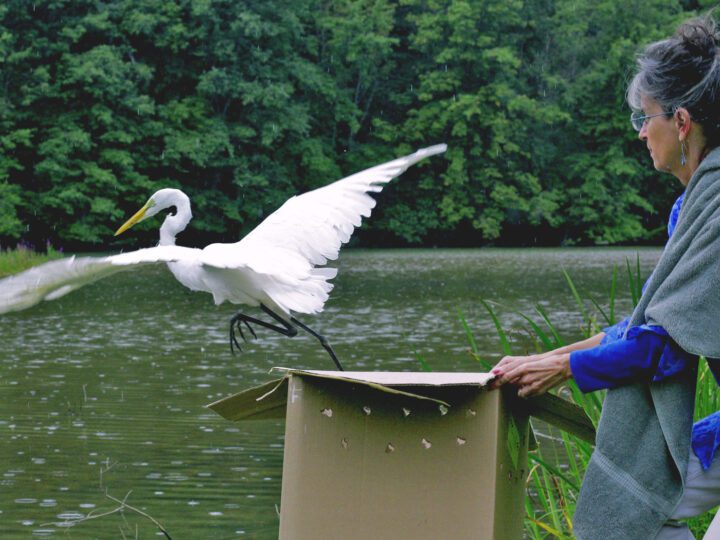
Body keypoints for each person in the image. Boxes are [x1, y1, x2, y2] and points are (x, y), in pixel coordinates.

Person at [491, 15, 720, 540]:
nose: (641, 132)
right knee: (631, 498)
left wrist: (566, 368)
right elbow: (646, 327)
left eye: (646, 118)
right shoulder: (694, 207)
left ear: (681, 122)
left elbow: (662, 350)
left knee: (639, 502)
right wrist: (550, 358)